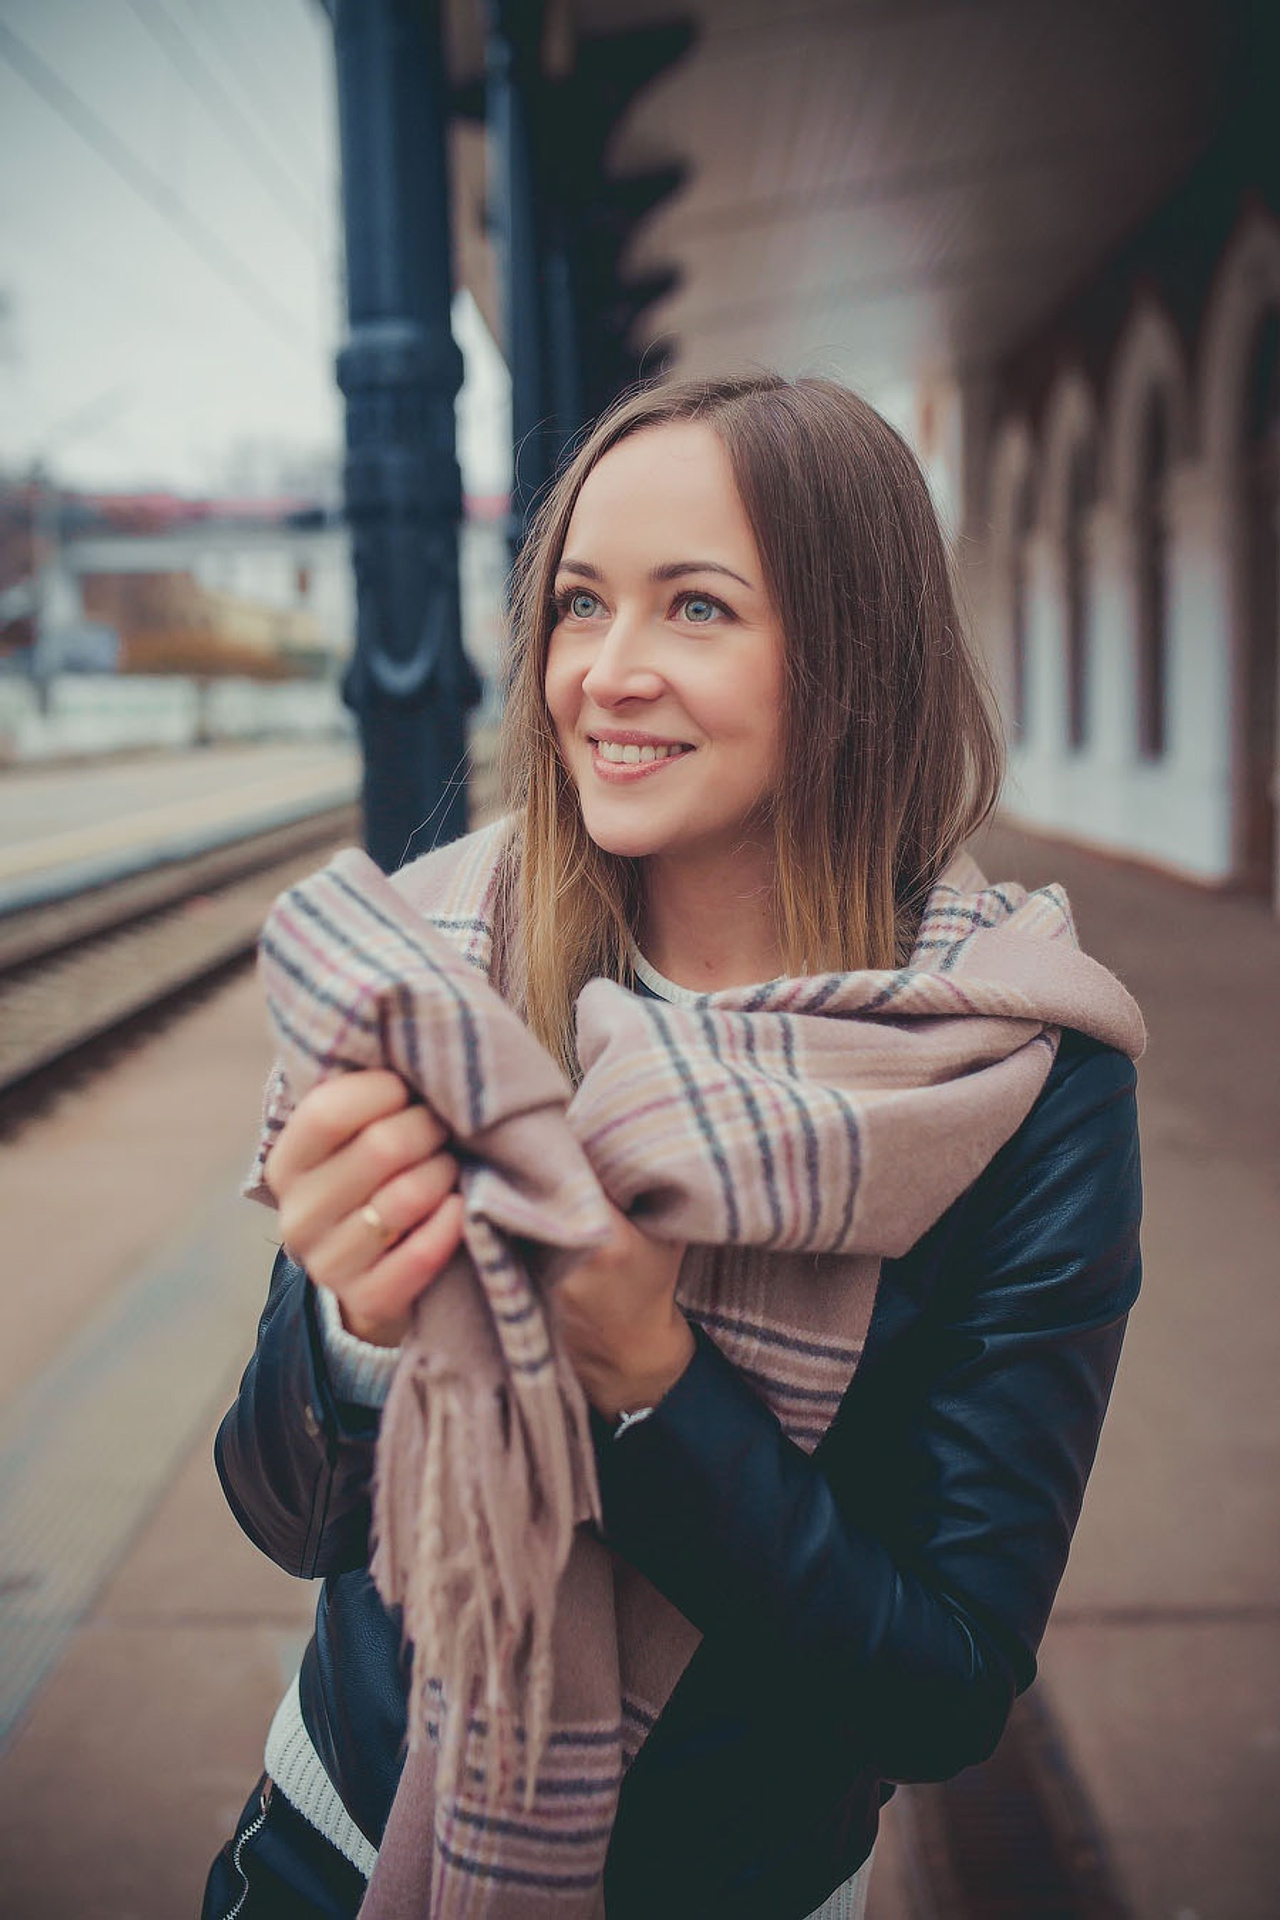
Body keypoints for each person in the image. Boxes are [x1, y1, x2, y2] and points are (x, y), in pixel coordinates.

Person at [202, 373, 1143, 1920]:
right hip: (334, 1861)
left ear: (854, 660)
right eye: (581, 604)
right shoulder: (440, 969)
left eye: (696, 608)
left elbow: (943, 1688)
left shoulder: (1016, 1079)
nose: (606, 675)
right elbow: (282, 1512)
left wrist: (652, 1393)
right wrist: (354, 1327)